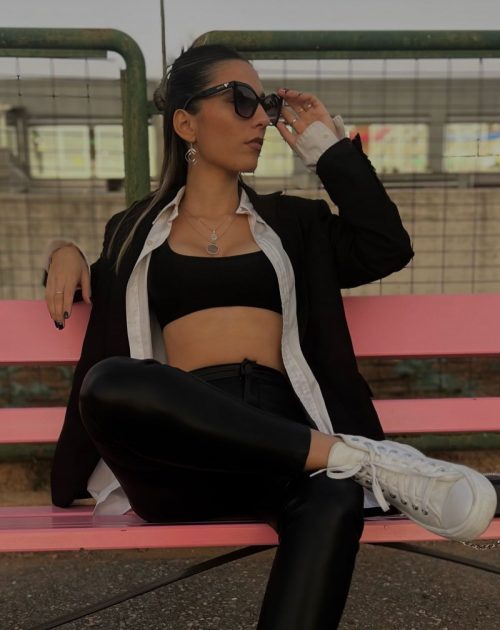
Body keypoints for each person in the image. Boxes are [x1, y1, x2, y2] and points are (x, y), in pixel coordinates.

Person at [44, 44, 497, 630]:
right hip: (183, 453)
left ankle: (347, 464)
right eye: (240, 101)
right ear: (186, 123)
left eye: (265, 104)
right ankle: (357, 460)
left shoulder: (294, 224)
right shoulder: (133, 230)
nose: (260, 118)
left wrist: (326, 148)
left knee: (333, 495)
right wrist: (62, 249)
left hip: (285, 444)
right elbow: (101, 295)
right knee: (109, 382)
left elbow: (386, 245)